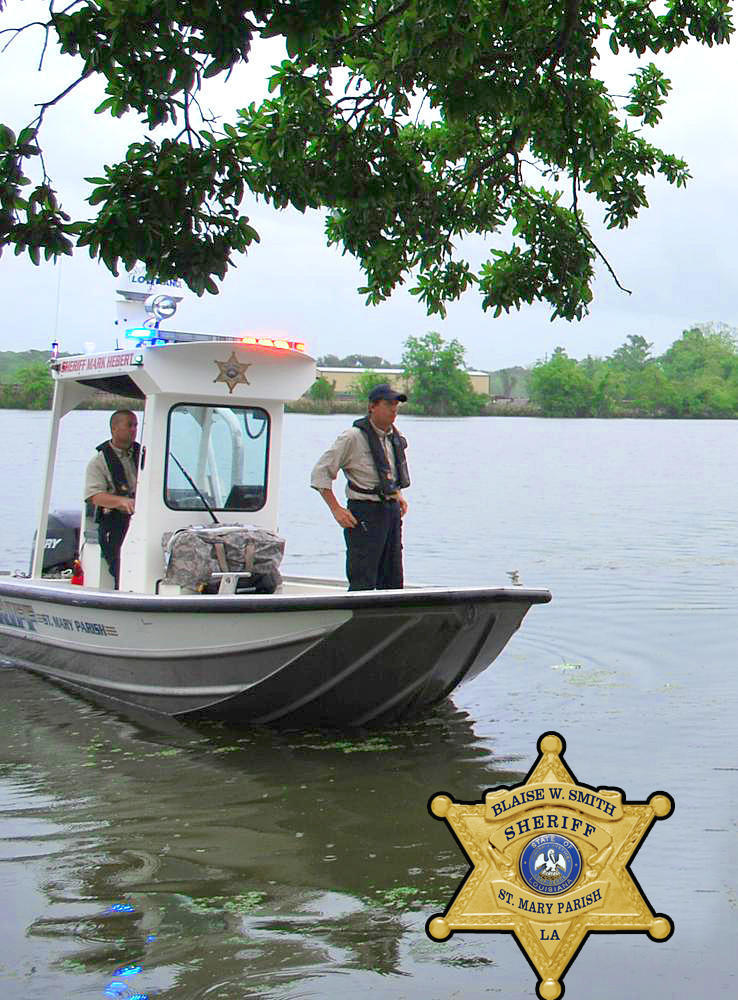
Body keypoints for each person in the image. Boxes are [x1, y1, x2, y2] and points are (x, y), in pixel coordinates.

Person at [311, 383, 410, 591]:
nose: (394, 409)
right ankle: (358, 617)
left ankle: (392, 616)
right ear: (372, 406)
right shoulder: (352, 437)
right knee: (362, 577)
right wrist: (336, 509)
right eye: (388, 404)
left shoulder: (394, 438)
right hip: (365, 512)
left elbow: (388, 472)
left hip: (390, 513)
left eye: (396, 405)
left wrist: (397, 494)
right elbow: (320, 473)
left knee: (393, 578)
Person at [84, 409, 140, 586]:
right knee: (121, 570)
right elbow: (94, 496)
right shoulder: (98, 462)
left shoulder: (145, 455)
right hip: (115, 525)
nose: (134, 429)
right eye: (129, 425)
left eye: (136, 425)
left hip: (142, 522)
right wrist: (122, 501)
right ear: (114, 428)